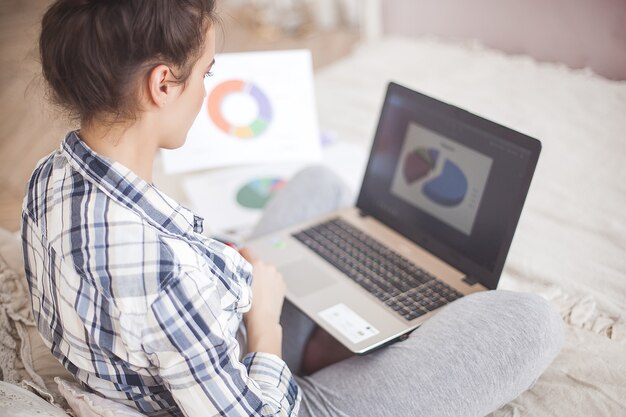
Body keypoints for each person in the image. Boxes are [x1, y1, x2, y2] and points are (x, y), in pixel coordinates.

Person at [22, 1, 564, 416]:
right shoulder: (163, 272)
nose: (208, 90)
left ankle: (335, 339)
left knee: (320, 182)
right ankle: (322, 360)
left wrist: (223, 270)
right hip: (260, 393)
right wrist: (266, 327)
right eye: (207, 72)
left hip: (192, 350)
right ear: (163, 83)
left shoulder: (47, 178)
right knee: (532, 323)